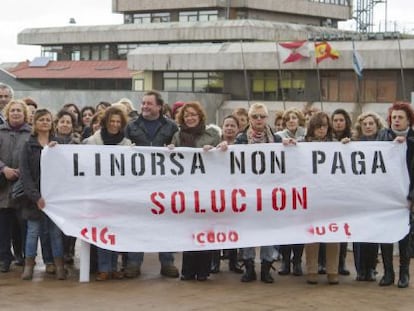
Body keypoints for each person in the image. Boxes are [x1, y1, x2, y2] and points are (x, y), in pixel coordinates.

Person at [124, 90, 179, 278]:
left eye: (149, 103)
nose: (145, 106)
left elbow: (180, 150)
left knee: (165, 223)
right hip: (137, 183)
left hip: (163, 183)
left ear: (159, 107)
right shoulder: (131, 126)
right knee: (137, 222)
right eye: (143, 103)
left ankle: (167, 262)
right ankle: (133, 262)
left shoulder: (172, 127)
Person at [168, 101, 221, 281]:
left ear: (200, 117)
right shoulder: (177, 136)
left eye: (193, 115)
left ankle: (203, 271)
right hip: (186, 190)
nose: (190, 118)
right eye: (187, 115)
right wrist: (169, 151)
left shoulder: (212, 135)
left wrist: (215, 150)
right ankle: (188, 271)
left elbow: (223, 156)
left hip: (207, 190)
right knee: (189, 230)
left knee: (204, 230)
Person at [235, 102, 281, 284]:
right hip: (248, 193)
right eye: (255, 116)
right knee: (247, 231)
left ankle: (266, 269)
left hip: (270, 194)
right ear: (249, 118)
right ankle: (249, 268)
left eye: (262, 116)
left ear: (267, 118)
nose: (259, 119)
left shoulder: (276, 140)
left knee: (268, 232)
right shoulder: (241, 139)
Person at [84, 106, 132, 281]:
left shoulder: (127, 144)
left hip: (119, 193)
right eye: (112, 121)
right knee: (102, 230)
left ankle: (113, 267)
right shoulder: (91, 142)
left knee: (115, 231)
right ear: (105, 122)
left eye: (118, 122)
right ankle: (104, 267)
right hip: (98, 193)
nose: (115, 124)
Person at [20, 108, 66, 280]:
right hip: (34, 198)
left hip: (54, 199)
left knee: (55, 233)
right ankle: (29, 267)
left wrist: (56, 150)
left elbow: (64, 170)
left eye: (48, 119)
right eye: (41, 120)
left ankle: (59, 266)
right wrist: (36, 197)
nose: (45, 122)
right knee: (33, 232)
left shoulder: (59, 143)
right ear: (35, 123)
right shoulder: (28, 145)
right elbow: (25, 174)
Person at [377, 101, 414, 288]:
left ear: (409, 121)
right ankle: (388, 272)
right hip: (385, 195)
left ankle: (404, 272)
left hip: (406, 196)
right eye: (394, 117)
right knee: (386, 234)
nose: (396, 121)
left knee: (404, 235)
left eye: (400, 118)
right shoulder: (382, 137)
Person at [304, 111, 340, 285]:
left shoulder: (336, 145)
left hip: (331, 195)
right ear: (312, 127)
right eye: (318, 126)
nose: (321, 129)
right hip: (310, 196)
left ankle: (333, 271)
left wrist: (346, 146)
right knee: (312, 234)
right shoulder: (302, 145)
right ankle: (312, 270)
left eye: (324, 126)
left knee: (333, 233)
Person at [352, 111, 386, 282]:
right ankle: (360, 269)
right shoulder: (353, 144)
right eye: (364, 124)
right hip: (358, 196)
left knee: (373, 234)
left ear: (377, 125)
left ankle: (372, 268)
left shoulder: (386, 145)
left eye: (371, 123)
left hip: (377, 196)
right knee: (358, 234)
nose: (367, 126)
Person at [0, 100, 31, 273]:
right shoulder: (0, 132)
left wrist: (23, 170)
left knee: (23, 225)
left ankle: (25, 256)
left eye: (19, 110)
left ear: (24, 114)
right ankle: (4, 258)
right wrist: (4, 169)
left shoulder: (30, 134)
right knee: (3, 226)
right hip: (3, 187)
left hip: (23, 189)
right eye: (13, 110)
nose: (16, 113)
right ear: (7, 113)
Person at [275, 108, 306, 276]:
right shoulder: (279, 137)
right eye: (288, 119)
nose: (292, 121)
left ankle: (297, 261)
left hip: (301, 186)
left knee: (299, 227)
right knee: (286, 227)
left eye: (295, 118)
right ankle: (285, 261)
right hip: (284, 186)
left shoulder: (307, 135)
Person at [331, 108, 353, 276]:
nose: (338, 123)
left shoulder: (354, 139)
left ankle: (341, 263)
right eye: (335, 120)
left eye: (341, 120)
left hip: (345, 191)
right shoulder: (325, 140)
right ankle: (325, 263)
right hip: (329, 190)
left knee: (343, 229)